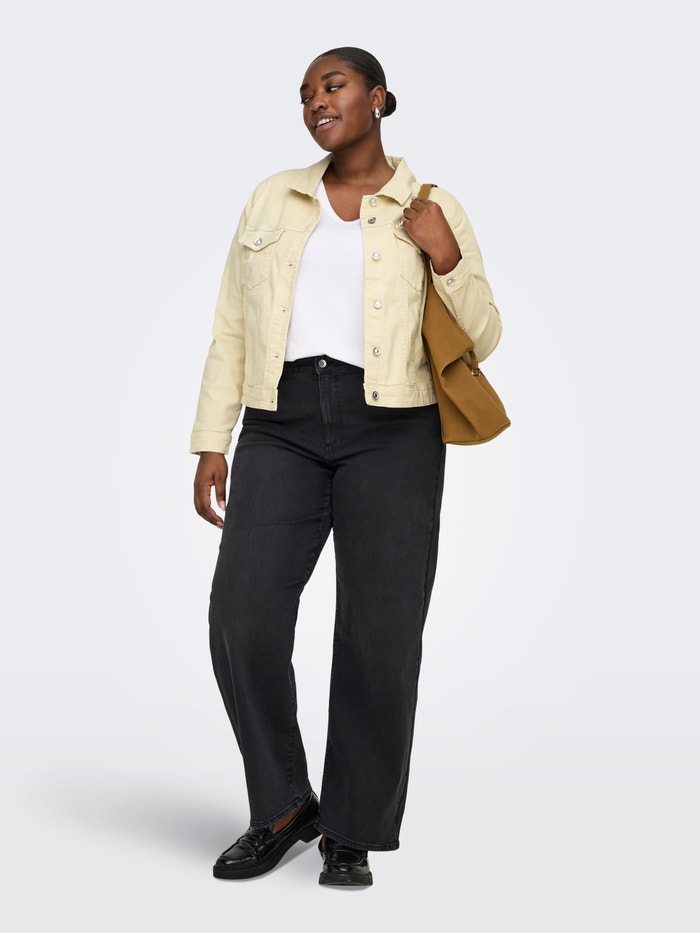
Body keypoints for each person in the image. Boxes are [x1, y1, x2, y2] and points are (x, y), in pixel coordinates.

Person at [190, 46, 502, 887]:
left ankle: (353, 827)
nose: (315, 103)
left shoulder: (430, 205)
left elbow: (485, 332)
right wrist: (213, 436)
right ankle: (284, 805)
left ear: (379, 98)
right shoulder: (274, 197)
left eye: (332, 86)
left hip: (394, 427)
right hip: (281, 422)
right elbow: (231, 323)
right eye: (304, 95)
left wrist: (445, 256)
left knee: (379, 634)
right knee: (241, 615)